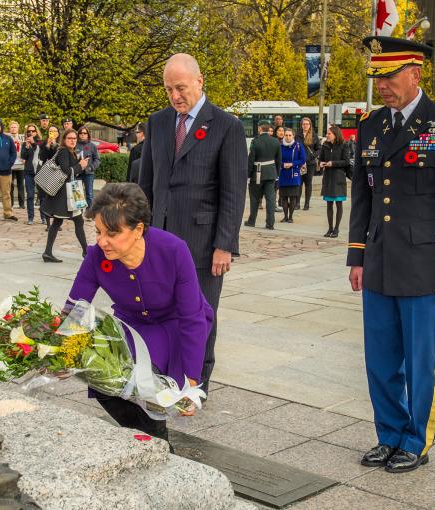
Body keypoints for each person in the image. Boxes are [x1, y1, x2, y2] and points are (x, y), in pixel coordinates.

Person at [349, 35, 435, 474]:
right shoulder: (370, 125)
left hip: (426, 266)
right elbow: (363, 197)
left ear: (415, 73)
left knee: (422, 361)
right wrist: (357, 256)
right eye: (377, 77)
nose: (381, 85)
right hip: (381, 262)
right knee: (381, 358)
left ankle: (416, 440)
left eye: (388, 76)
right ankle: (388, 434)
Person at [66, 183, 214, 443]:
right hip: (131, 323)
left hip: (174, 325)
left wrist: (192, 381)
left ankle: (156, 440)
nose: (102, 241)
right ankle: (147, 436)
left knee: (147, 383)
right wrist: (60, 349)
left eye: (111, 233)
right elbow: (76, 306)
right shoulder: (96, 256)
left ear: (138, 230)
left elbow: (192, 317)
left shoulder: (173, 250)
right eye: (98, 231)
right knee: (102, 376)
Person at [138, 53, 247, 394]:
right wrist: (138, 233)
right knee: (159, 311)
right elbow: (147, 184)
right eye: (169, 89)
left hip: (202, 244)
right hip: (159, 239)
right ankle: (164, 375)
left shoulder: (227, 126)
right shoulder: (157, 123)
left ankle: (196, 383)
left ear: (200, 82)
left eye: (181, 88)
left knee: (199, 315)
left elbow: (233, 191)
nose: (175, 96)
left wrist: (224, 245)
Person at [40, 129, 88, 262]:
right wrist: (80, 165)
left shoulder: (70, 152)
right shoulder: (63, 152)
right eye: (69, 138)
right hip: (64, 193)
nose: (73, 140)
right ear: (64, 140)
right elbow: (66, 171)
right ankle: (86, 251)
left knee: (58, 222)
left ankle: (47, 252)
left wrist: (79, 164)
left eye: (74, 138)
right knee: (77, 220)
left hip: (65, 192)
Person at [244, 121, 281, 230]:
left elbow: (251, 160)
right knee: (270, 199)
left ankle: (252, 220)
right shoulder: (275, 141)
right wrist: (277, 173)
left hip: (257, 173)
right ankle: (270, 223)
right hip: (270, 173)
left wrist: (248, 174)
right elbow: (279, 160)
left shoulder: (256, 141)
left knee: (254, 198)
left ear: (260, 129)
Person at [319, 124, 348, 237]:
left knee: (338, 204)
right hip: (328, 177)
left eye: (329, 133)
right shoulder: (325, 145)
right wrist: (321, 163)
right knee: (329, 204)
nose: (327, 135)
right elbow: (321, 158)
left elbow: (346, 161)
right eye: (327, 133)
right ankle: (330, 228)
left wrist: (333, 163)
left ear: (335, 135)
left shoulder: (343, 145)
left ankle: (336, 228)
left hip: (338, 177)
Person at [278, 128, 304, 224]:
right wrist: (282, 164)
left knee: (293, 197)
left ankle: (291, 217)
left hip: (294, 174)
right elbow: (276, 159)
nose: (288, 137)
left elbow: (302, 159)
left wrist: (292, 164)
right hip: (283, 173)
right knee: (284, 197)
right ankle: (285, 216)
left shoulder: (298, 146)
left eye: (290, 135)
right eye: (286, 135)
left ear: (293, 136)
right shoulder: (280, 146)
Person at [20, 124, 41, 225]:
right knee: (30, 195)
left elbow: (41, 154)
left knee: (42, 196)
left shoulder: (40, 143)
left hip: (40, 171)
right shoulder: (25, 144)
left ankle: (44, 217)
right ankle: (30, 217)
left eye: (33, 131)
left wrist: (34, 144)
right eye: (29, 131)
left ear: (36, 132)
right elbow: (23, 157)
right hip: (28, 171)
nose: (31, 133)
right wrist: (28, 147)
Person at [297, 117, 319, 210]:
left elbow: (319, 148)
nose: (305, 125)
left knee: (308, 184)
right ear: (301, 125)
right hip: (299, 163)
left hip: (310, 164)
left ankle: (307, 204)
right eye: (303, 124)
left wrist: (313, 156)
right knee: (299, 183)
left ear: (310, 125)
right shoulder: (297, 135)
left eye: (307, 124)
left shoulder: (314, 135)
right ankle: (297, 203)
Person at [76, 127, 100, 209]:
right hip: (77, 173)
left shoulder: (92, 146)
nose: (82, 135)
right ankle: (77, 213)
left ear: (88, 134)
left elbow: (97, 159)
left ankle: (90, 213)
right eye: (81, 133)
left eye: (84, 133)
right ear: (78, 134)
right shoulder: (74, 145)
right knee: (77, 194)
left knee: (89, 194)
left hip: (88, 173)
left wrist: (91, 167)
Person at [8, 121, 25, 210]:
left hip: (20, 164)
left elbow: (26, 149)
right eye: (12, 127)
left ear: (18, 128)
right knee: (10, 185)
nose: (13, 129)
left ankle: (21, 204)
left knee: (20, 185)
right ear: (9, 129)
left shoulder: (22, 138)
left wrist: (25, 158)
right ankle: (10, 204)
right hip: (10, 164)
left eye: (15, 127)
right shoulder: (7, 138)